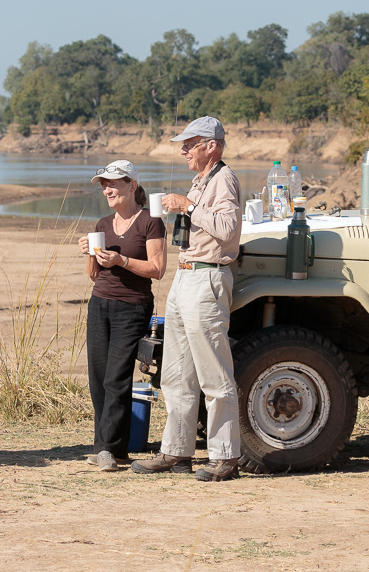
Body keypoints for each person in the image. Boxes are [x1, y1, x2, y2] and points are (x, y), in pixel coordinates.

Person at [131, 116, 243, 482]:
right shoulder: (202, 180)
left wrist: (188, 206)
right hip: (187, 276)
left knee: (213, 371)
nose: (183, 150)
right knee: (176, 372)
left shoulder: (224, 179)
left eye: (190, 144)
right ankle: (176, 450)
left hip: (207, 277)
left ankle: (225, 456)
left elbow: (228, 229)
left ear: (212, 146)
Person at [77, 160, 166, 472]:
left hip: (133, 306)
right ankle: (111, 450)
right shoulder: (102, 224)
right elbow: (94, 275)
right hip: (99, 304)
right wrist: (91, 254)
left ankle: (109, 450)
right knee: (98, 379)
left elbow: (157, 269)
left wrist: (122, 259)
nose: (107, 189)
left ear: (133, 185)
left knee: (117, 378)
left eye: (113, 183)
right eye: (104, 184)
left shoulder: (150, 221)